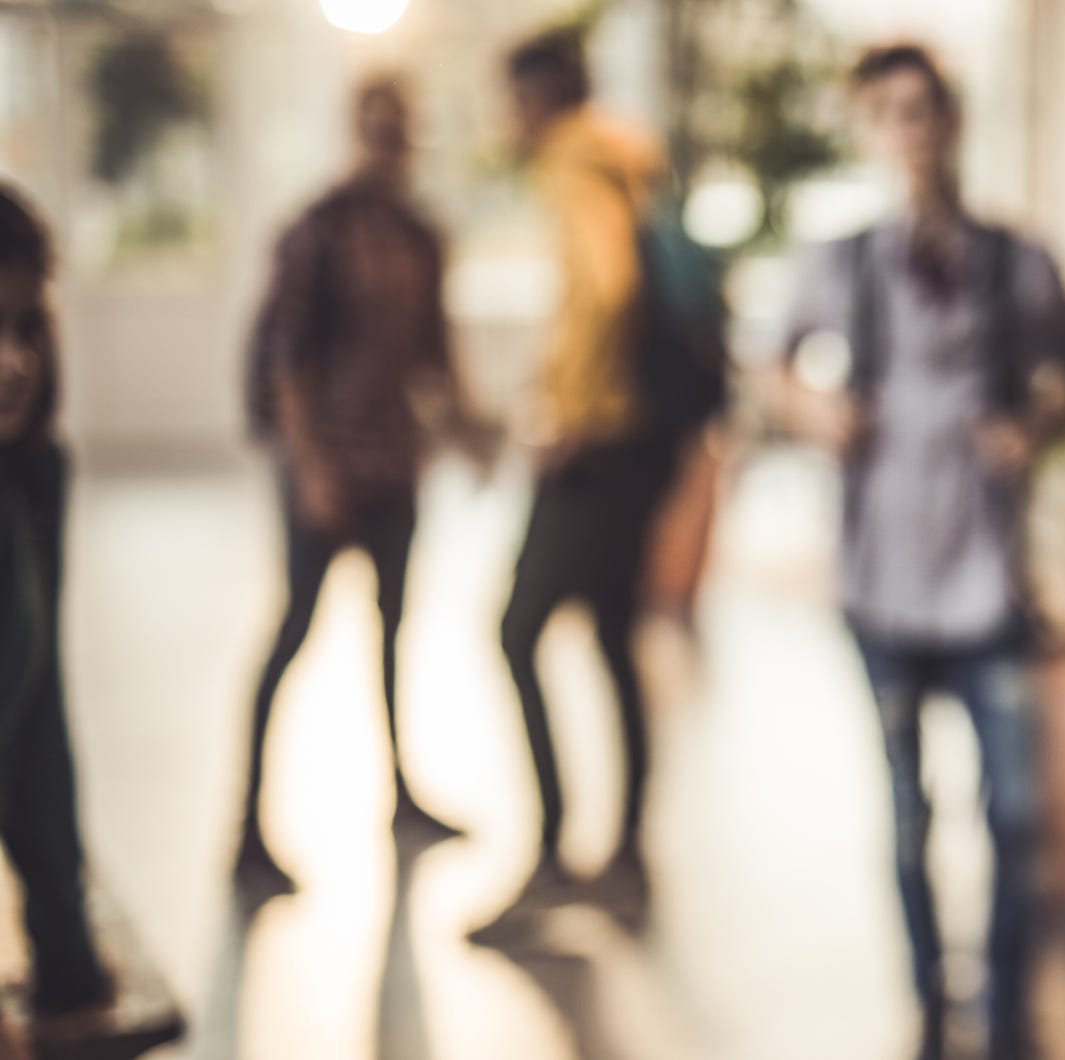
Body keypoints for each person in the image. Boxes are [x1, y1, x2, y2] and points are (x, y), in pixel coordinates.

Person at [776, 44, 1065, 1060]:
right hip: (880, 581)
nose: (910, 133)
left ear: (951, 123)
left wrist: (1033, 426)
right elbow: (774, 367)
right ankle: (928, 1002)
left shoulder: (1015, 260)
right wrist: (816, 410)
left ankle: (1005, 1018)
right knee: (906, 814)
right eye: (889, 116)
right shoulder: (844, 264)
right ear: (874, 134)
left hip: (987, 579)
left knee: (1015, 815)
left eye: (924, 112)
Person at [237, 77, 485, 892]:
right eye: (375, 132)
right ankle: (246, 828)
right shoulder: (315, 231)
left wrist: (469, 425)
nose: (388, 148)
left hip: (393, 468)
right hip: (327, 470)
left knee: (392, 633)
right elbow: (288, 361)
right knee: (295, 634)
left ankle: (401, 794)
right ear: (355, 133)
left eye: (399, 134)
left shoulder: (420, 236)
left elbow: (436, 354)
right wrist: (310, 468)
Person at [490, 29, 675, 911]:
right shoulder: (627, 158)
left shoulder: (573, 164)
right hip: (639, 447)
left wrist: (566, 415)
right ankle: (629, 853)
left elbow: (606, 291)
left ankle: (554, 854)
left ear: (538, 98)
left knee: (517, 632)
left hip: (596, 446)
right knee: (608, 640)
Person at [1, 183, 185, 1053]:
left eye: (25, 326)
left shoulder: (37, 470)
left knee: (38, 725)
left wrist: (68, 953)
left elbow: (40, 734)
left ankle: (69, 956)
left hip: (26, 483)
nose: (10, 362)